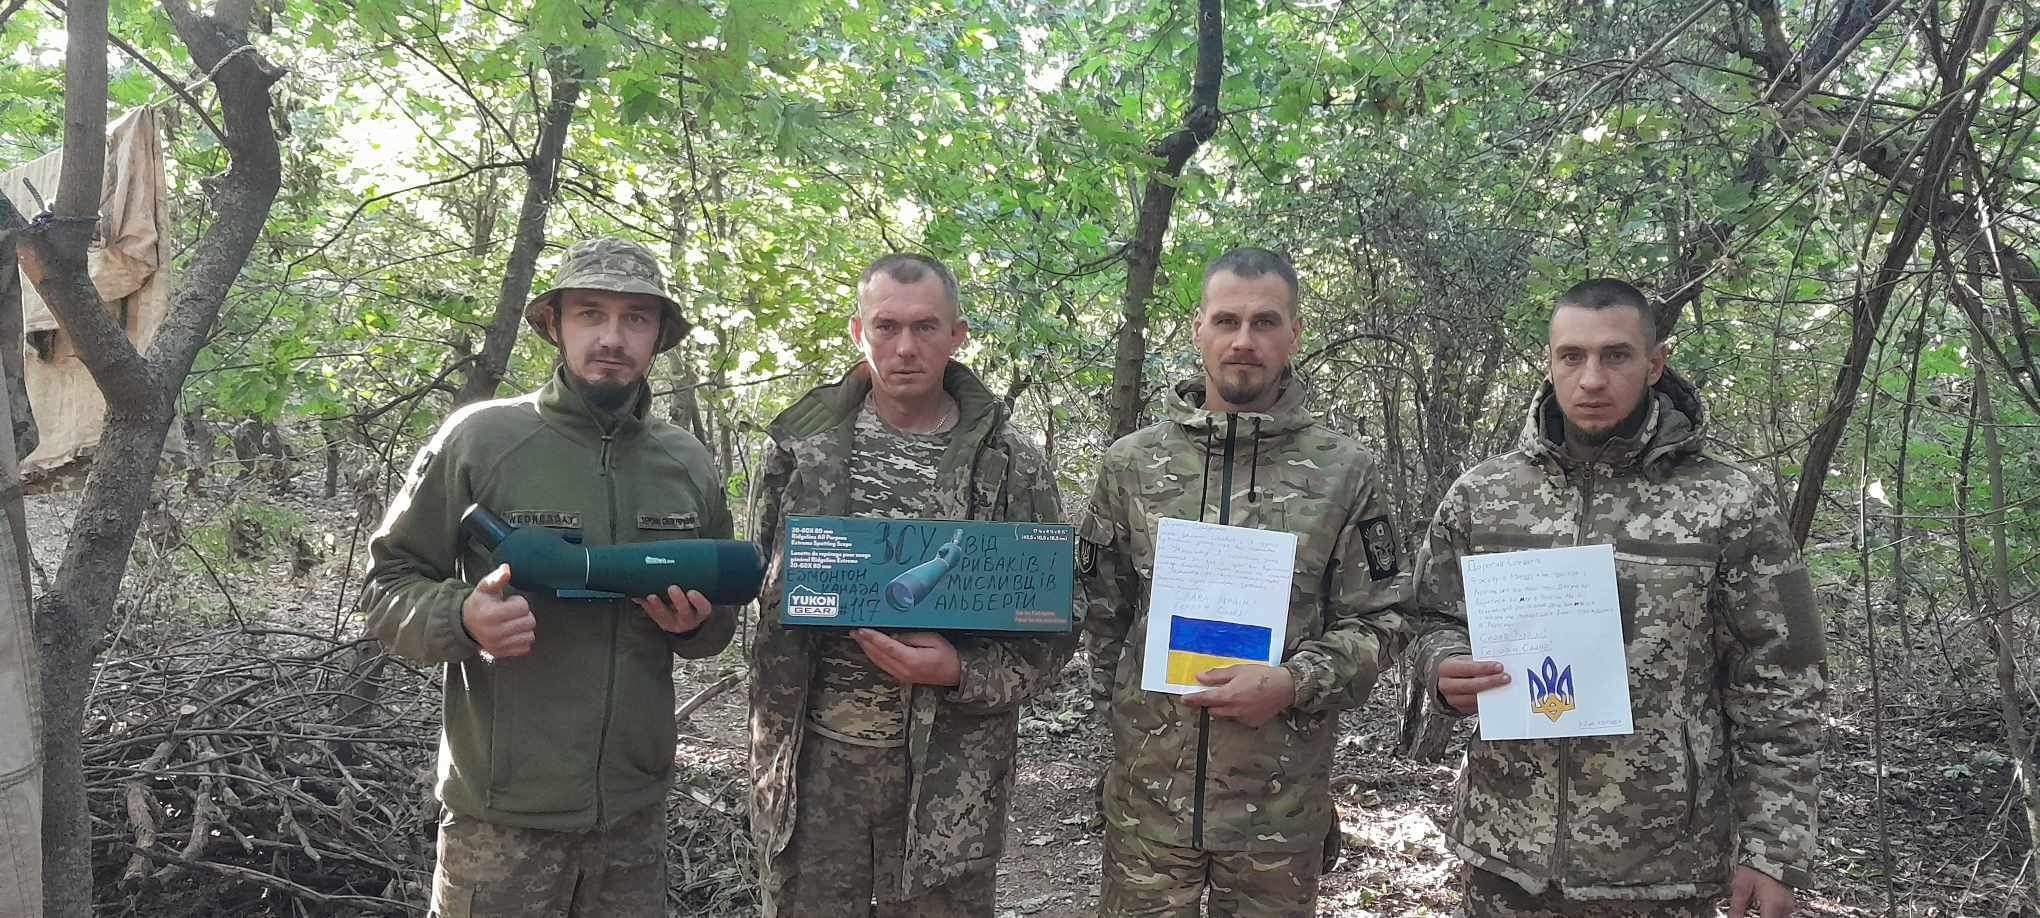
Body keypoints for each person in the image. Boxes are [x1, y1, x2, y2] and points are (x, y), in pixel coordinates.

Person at [1409, 278, 1826, 918]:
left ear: (1654, 363)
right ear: (1549, 363)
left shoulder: (1728, 502)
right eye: (1572, 356)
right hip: (1507, 853)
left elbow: (1781, 680)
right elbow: (1429, 618)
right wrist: (1444, 668)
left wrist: (1774, 849)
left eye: (1616, 356)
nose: (1592, 379)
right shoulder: (1482, 495)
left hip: (1662, 863)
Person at [361, 237, 737, 916]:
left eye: (636, 318)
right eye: (590, 313)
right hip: (501, 819)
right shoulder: (481, 439)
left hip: (633, 818)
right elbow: (387, 588)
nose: (612, 337)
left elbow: (716, 623)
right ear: (554, 324)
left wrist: (695, 625)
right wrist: (464, 617)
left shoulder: (687, 461)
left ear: (659, 335)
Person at [1080, 246, 1411, 917]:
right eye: (1226, 320)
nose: (1243, 341)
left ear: (1294, 333)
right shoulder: (1132, 464)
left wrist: (1294, 682)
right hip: (1149, 807)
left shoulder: (1343, 471)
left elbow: (1383, 618)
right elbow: (1103, 614)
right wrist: (1128, 736)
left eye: (1265, 322)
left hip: (1278, 808)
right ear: (1197, 328)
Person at [748, 253, 1070, 916]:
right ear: (857, 331)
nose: (904, 347)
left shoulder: (1011, 464)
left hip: (950, 777)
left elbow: (1055, 624)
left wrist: (960, 670)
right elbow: (758, 590)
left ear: (957, 335)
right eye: (886, 326)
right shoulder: (799, 449)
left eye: (925, 327)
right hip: (813, 767)